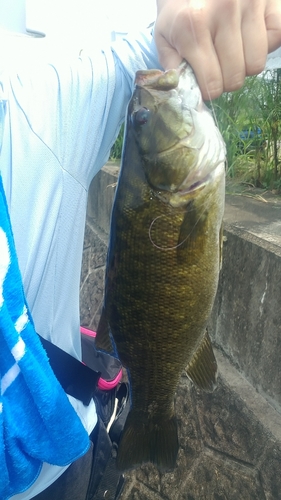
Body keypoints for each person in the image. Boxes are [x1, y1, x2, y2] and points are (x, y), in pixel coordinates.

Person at [0, 0, 280, 499]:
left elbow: (165, 42)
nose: (144, 106)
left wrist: (191, 21)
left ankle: (153, 412)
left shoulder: (30, 112)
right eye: (143, 118)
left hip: (43, 472)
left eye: (141, 119)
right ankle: (154, 411)